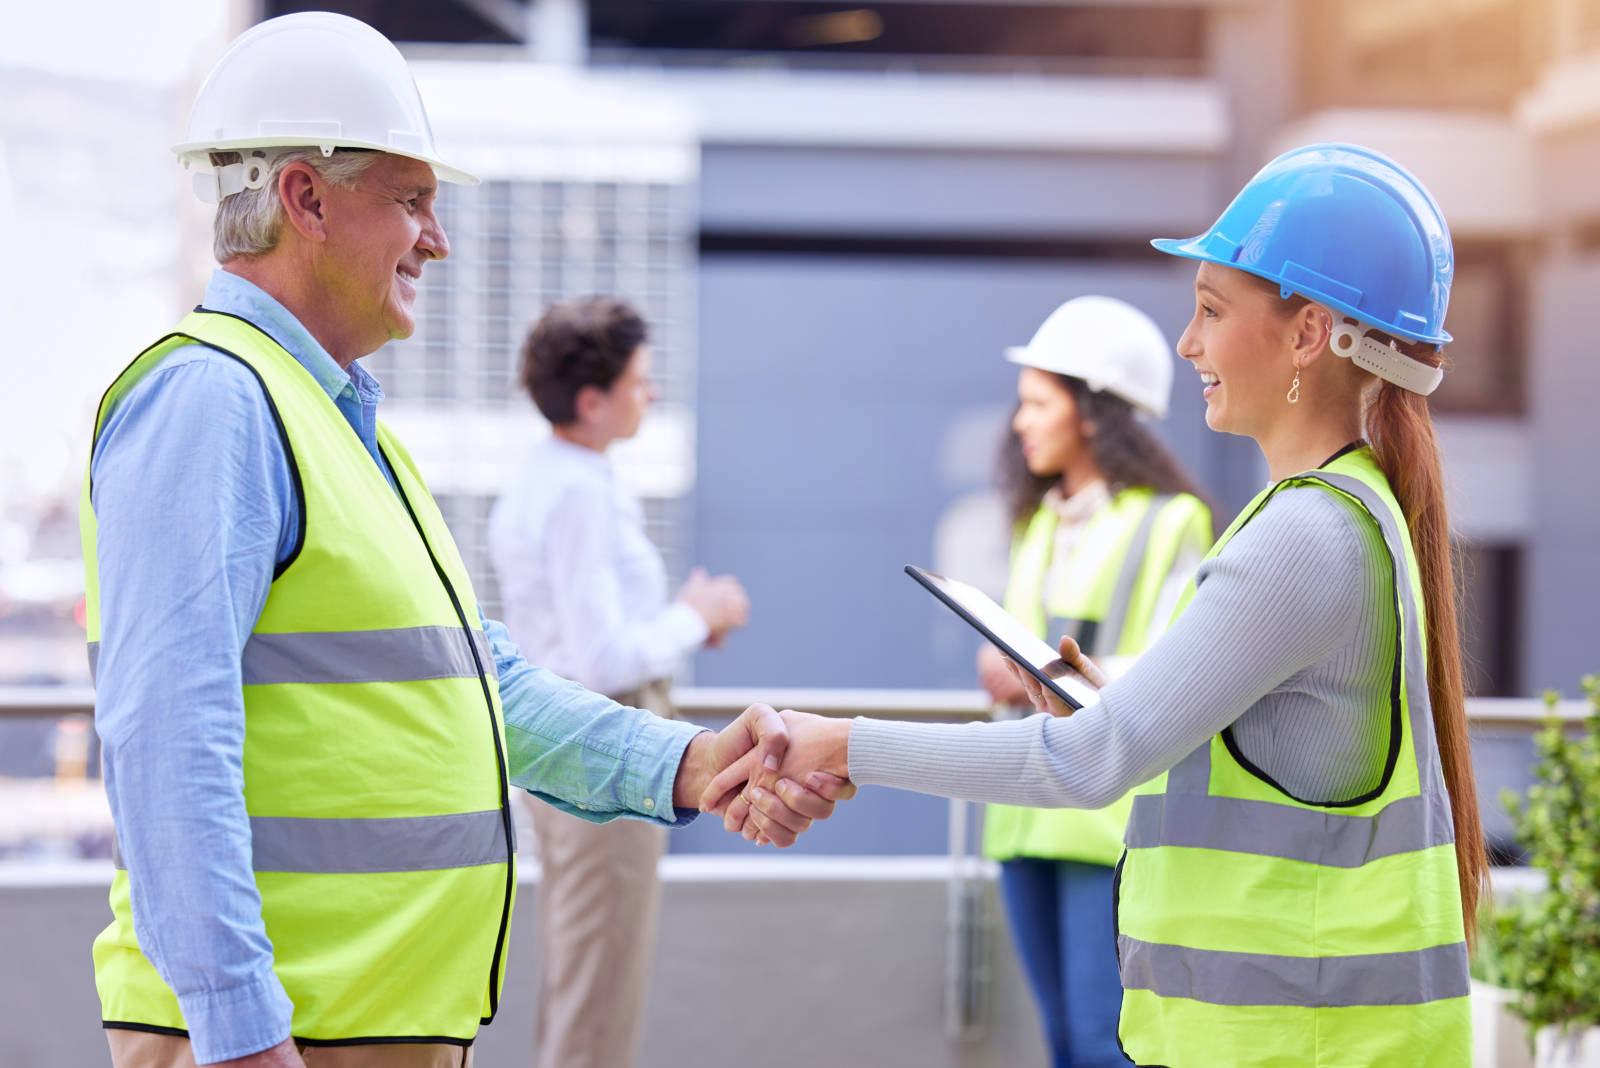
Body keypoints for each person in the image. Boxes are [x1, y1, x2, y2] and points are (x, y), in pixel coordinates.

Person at [86, 15, 843, 1068]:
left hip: (358, 1029)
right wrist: (241, 1031)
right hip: (281, 1040)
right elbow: (167, 742)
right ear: (304, 199)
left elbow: (483, 683)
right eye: (410, 201)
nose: (437, 239)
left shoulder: (339, 426)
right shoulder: (212, 403)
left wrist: (692, 761)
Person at [725, 143, 1487, 1067]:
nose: (1188, 344)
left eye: (1210, 310)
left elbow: (1088, 763)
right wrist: (1115, 686)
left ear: (1308, 334)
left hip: (1297, 1043)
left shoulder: (1302, 538)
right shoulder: (1337, 513)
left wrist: (839, 741)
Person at [487, 298, 750, 1068]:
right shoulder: (574, 491)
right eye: (640, 380)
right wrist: (695, 618)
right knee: (599, 985)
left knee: (587, 973)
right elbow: (601, 658)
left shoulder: (558, 479)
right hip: (605, 732)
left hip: (573, 731)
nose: (653, 393)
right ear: (593, 399)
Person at [976, 295, 1212, 1068]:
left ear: (1088, 409)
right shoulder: (1037, 522)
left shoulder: (1173, 520)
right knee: (1061, 1044)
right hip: (1022, 812)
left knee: (1103, 1044)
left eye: (1037, 402)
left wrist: (1043, 672)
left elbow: (1176, 665)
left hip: (1104, 818)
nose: (1021, 422)